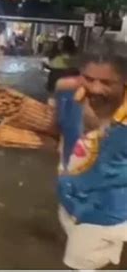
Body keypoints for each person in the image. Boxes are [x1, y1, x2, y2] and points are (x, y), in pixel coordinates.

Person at [55, 46, 127, 270]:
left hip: (105, 213)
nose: (96, 88)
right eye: (89, 79)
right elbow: (61, 130)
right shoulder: (71, 95)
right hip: (69, 199)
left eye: (107, 82)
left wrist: (100, 129)